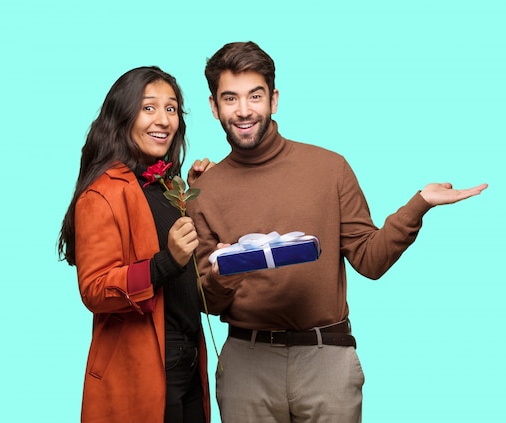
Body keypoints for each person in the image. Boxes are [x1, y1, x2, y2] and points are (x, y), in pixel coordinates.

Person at [187, 41, 488, 423]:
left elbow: (370, 260)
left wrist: (419, 204)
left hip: (326, 356)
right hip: (247, 363)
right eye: (230, 98)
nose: (244, 110)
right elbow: (204, 300)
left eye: (255, 96)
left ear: (274, 100)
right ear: (214, 107)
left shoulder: (329, 168)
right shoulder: (202, 190)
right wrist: (226, 272)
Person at [57, 66, 214, 423]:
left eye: (171, 108)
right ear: (123, 115)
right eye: (149, 108)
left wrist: (196, 195)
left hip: (188, 363)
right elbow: (95, 290)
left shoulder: (164, 185)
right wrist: (165, 262)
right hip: (145, 368)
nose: (163, 120)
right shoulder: (103, 192)